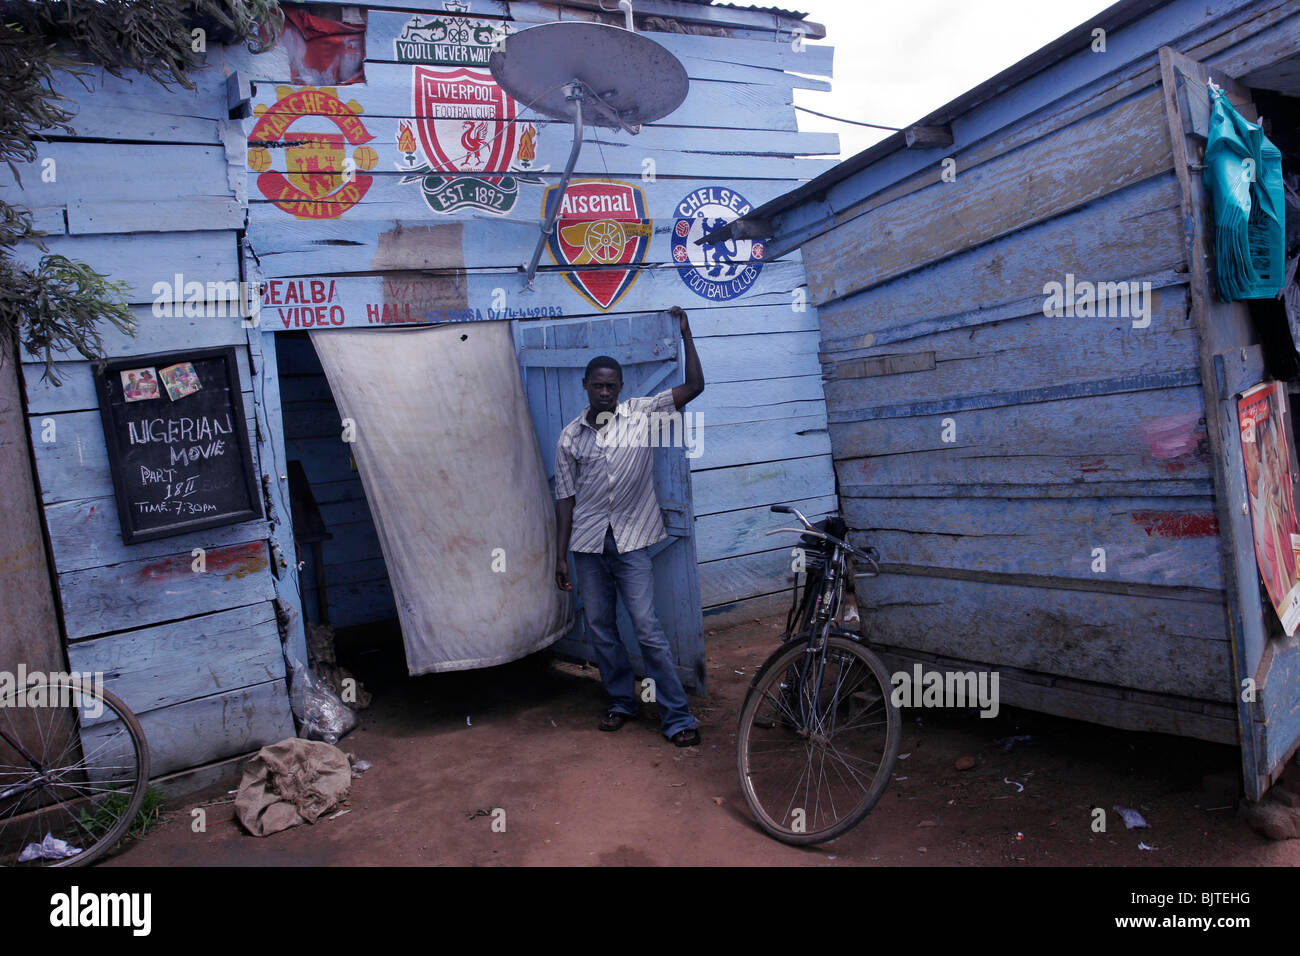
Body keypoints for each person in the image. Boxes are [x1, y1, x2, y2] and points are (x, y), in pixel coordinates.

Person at [553, 305, 704, 747]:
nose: (604, 391)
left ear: (620, 388)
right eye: (597, 385)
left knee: (646, 628)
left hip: (634, 540)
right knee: (600, 628)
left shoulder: (642, 413)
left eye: (611, 386)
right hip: (588, 545)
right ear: (585, 386)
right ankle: (621, 700)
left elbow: (694, 386)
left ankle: (677, 717)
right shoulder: (569, 436)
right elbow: (565, 498)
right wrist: (560, 556)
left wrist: (687, 333)